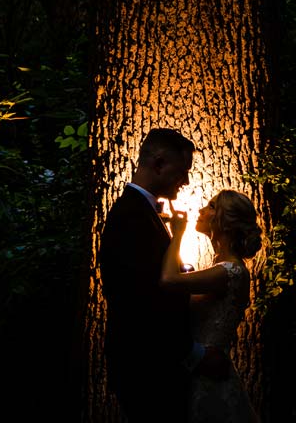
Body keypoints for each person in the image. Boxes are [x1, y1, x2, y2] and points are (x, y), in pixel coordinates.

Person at [99, 128, 230, 423]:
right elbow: (141, 302)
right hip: (147, 366)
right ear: (158, 164)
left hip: (152, 363)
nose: (185, 181)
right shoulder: (131, 216)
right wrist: (194, 355)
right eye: (182, 171)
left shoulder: (142, 212)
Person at [161, 189, 263, 423]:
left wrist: (177, 234)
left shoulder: (230, 272)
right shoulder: (220, 269)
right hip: (199, 370)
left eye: (211, 206)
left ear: (226, 222)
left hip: (208, 375)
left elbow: (168, 280)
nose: (200, 210)